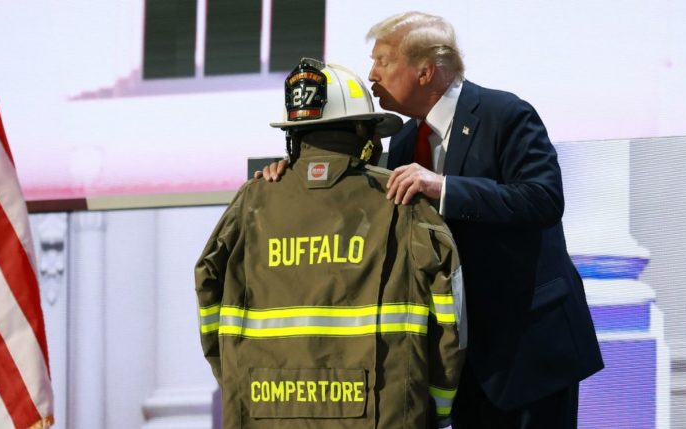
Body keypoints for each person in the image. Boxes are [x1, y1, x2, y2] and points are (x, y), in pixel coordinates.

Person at [258, 12, 603, 429]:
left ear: (425, 71)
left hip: (527, 352)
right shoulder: (404, 141)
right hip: (458, 355)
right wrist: (290, 174)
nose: (372, 75)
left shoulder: (505, 113)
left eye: (382, 60)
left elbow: (543, 199)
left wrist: (446, 187)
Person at [197, 59, 467, 428]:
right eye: (373, 132)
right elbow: (449, 321)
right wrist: (438, 407)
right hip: (384, 413)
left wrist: (237, 379)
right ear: (361, 131)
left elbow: (207, 287)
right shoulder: (406, 206)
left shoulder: (251, 203)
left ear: (294, 135)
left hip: (263, 407)